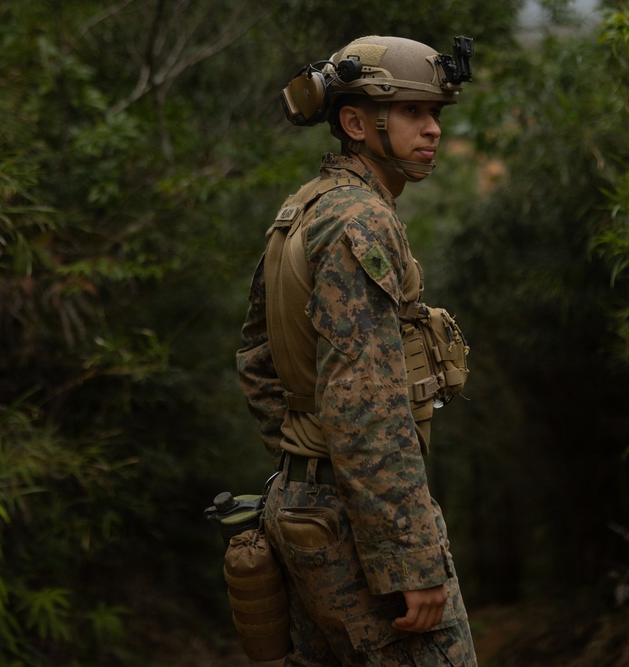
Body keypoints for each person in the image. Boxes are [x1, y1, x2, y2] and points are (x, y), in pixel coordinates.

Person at [236, 35, 477, 666]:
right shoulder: (361, 221)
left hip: (302, 508)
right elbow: (365, 402)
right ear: (354, 122)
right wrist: (410, 556)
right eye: (412, 112)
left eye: (437, 115)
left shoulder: (301, 211)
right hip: (355, 523)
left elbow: (257, 362)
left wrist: (301, 471)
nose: (432, 130)